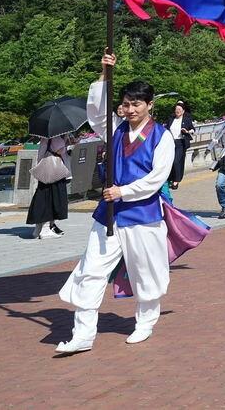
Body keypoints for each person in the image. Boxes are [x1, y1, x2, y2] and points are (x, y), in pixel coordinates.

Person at [56, 53, 175, 353]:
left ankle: (145, 322)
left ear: (150, 105)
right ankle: (83, 334)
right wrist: (104, 73)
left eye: (137, 104)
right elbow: (96, 112)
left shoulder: (162, 137)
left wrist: (124, 191)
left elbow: (157, 178)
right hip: (109, 213)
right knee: (92, 270)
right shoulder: (115, 128)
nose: (130, 109)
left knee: (145, 271)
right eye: (126, 104)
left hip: (142, 214)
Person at [28, 134, 71, 239]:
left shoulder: (45, 138)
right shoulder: (55, 137)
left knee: (44, 197)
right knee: (51, 199)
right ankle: (46, 229)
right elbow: (60, 150)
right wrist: (66, 140)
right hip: (55, 172)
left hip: (46, 171)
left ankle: (38, 229)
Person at [167, 100, 195, 189]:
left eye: (179, 110)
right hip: (171, 143)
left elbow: (193, 130)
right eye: (176, 109)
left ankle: (176, 180)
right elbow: (166, 128)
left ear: (183, 111)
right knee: (170, 161)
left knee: (176, 161)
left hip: (181, 143)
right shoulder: (171, 119)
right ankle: (170, 178)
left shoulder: (186, 120)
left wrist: (187, 131)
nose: (177, 111)